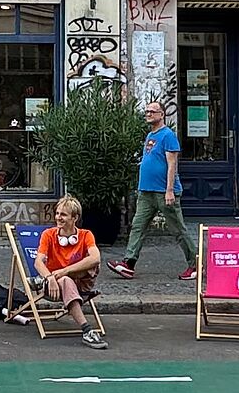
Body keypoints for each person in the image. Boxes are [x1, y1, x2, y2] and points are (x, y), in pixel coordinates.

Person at [107, 102, 197, 280]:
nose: (148, 114)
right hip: (146, 192)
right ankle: (128, 263)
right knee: (138, 227)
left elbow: (172, 164)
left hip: (163, 192)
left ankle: (196, 265)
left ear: (162, 114)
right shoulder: (150, 135)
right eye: (146, 111)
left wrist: (169, 190)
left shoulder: (168, 136)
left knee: (178, 230)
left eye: (152, 111)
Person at [32, 196, 107, 349]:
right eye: (57, 213)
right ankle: (87, 330)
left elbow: (96, 258)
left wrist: (64, 271)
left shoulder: (86, 235)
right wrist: (50, 278)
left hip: (80, 283)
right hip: (55, 287)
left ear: (75, 218)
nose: (58, 217)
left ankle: (65, 277)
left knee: (91, 264)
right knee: (66, 281)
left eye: (63, 215)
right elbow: (38, 262)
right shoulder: (48, 235)